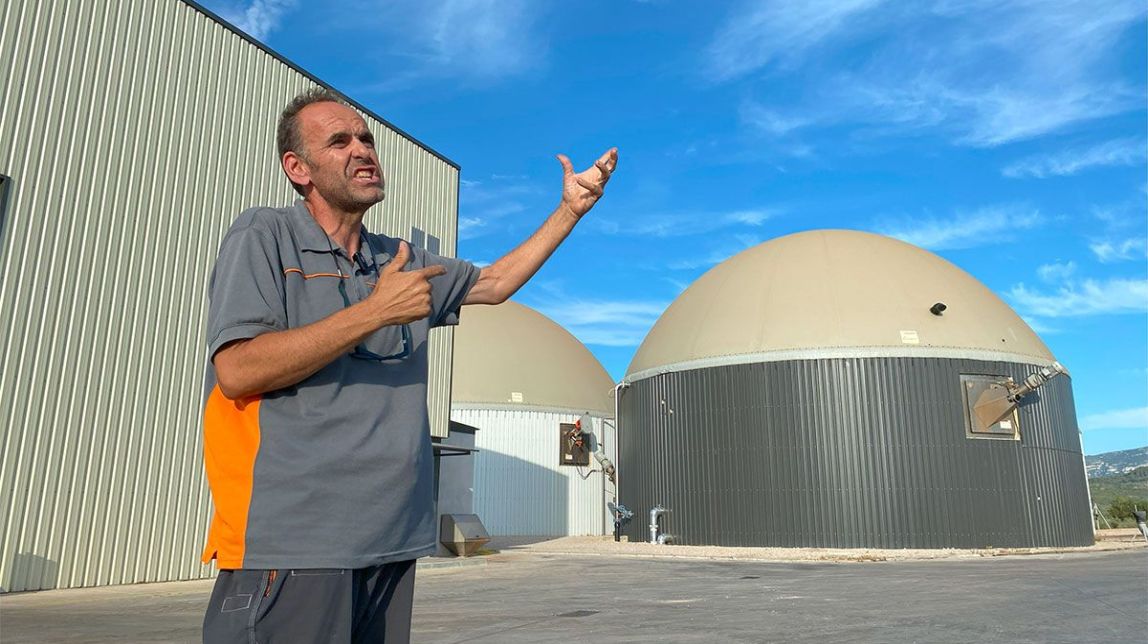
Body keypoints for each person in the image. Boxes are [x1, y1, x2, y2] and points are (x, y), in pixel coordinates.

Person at [200, 87, 616, 643]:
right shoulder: (265, 236)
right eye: (340, 141)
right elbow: (239, 370)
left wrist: (568, 211)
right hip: (297, 540)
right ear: (297, 168)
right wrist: (374, 312)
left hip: (391, 540)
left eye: (367, 138)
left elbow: (492, 284)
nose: (363, 150)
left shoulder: (396, 259)